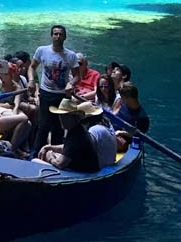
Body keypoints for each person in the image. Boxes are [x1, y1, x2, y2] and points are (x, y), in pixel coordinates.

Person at [28, 25, 79, 156]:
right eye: (55, 34)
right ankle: (34, 153)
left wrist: (71, 83)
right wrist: (31, 80)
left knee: (59, 127)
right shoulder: (42, 50)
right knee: (43, 125)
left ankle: (56, 154)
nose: (57, 36)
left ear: (65, 37)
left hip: (62, 95)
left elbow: (78, 76)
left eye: (60, 34)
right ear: (51, 36)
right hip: (46, 93)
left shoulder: (71, 55)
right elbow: (32, 67)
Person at [34, 97, 100, 173]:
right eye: (60, 115)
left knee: (35, 161)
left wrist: (50, 157)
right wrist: (49, 147)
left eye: (65, 116)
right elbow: (68, 147)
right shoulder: (77, 129)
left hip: (83, 174)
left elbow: (60, 164)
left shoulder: (76, 135)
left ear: (73, 117)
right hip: (83, 169)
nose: (61, 119)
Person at [80, 102, 118, 169]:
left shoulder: (94, 130)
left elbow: (84, 151)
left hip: (101, 167)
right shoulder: (107, 123)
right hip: (109, 162)